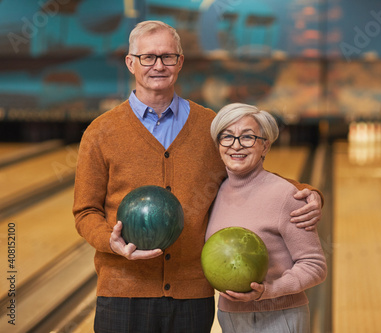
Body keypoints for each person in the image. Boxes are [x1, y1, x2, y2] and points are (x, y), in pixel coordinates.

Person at [73, 20, 323, 333]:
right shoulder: (101, 131)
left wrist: (307, 191)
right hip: (124, 289)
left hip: (192, 295)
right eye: (148, 57)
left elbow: (247, 168)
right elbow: (85, 212)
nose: (158, 65)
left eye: (168, 56)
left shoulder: (210, 126)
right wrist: (110, 242)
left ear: (180, 62)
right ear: (131, 63)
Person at [207, 103, 327, 333]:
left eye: (248, 137)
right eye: (227, 137)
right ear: (218, 145)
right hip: (229, 316)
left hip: (278, 316)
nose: (236, 145)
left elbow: (315, 266)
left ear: (265, 145)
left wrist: (269, 290)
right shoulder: (214, 192)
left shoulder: (286, 196)